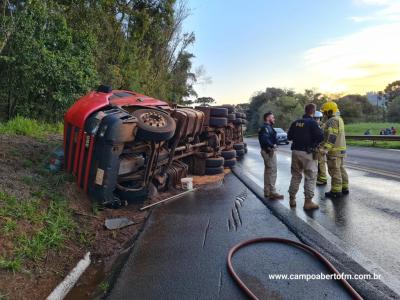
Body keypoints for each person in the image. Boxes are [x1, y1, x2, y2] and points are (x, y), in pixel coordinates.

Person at [287, 104, 323, 210]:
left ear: (305, 110)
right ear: (313, 111)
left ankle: (292, 199)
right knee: (310, 177)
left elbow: (289, 137)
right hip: (307, 153)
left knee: (296, 176)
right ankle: (308, 202)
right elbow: (321, 137)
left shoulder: (295, 122)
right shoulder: (313, 122)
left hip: (295, 152)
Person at [321, 101, 349, 198]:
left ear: (329, 111)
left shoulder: (332, 121)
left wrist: (326, 148)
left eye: (324, 112)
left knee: (334, 170)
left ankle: (336, 191)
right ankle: (345, 187)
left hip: (334, 151)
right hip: (340, 150)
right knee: (341, 169)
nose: (324, 114)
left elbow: (332, 135)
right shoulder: (339, 119)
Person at [258, 112, 284, 200]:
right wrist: (272, 145)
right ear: (268, 118)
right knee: (272, 171)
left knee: (268, 172)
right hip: (268, 151)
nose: (274, 119)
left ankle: (267, 191)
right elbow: (265, 139)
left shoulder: (267, 127)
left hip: (267, 151)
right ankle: (272, 192)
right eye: (272, 118)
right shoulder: (265, 128)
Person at [314, 111, 328, 186]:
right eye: (315, 118)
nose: (317, 120)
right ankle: (320, 178)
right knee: (318, 164)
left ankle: (323, 179)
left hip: (321, 147)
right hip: (317, 147)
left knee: (321, 163)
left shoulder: (323, 126)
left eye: (318, 118)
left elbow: (323, 137)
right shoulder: (315, 126)